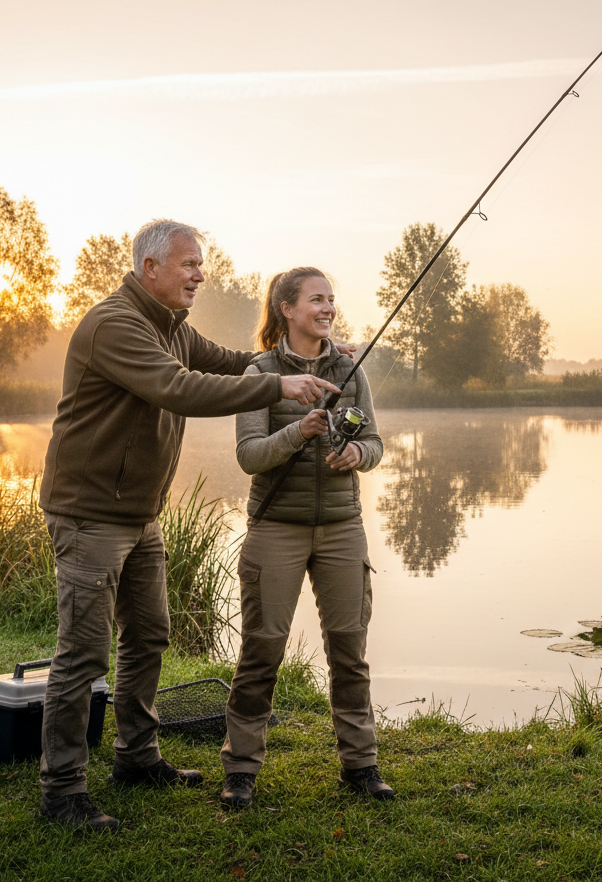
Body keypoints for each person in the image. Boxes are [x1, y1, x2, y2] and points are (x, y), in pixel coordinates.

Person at [38, 221, 343, 833]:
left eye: (200, 264)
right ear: (150, 268)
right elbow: (179, 388)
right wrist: (277, 383)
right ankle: (62, 790)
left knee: (149, 635)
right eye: (189, 264)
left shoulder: (172, 327)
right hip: (90, 513)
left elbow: (230, 361)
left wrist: (309, 358)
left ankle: (136, 756)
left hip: (138, 513)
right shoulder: (115, 325)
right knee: (83, 654)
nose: (200, 274)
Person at [220, 266, 393, 807]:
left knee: (349, 650)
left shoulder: (350, 368)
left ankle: (360, 766)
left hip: (343, 527)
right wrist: (301, 430)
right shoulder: (259, 372)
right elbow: (250, 456)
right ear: (286, 309)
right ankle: (241, 769)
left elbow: (376, 441)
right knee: (261, 650)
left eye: (331, 299)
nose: (327, 307)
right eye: (316, 299)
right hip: (276, 529)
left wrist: (355, 454)